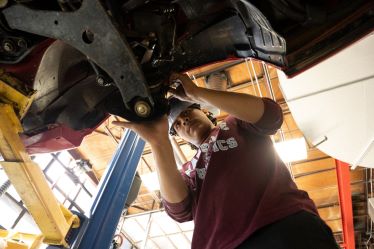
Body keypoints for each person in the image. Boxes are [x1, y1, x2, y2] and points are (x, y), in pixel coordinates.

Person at [113, 73, 340, 249]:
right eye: (178, 125)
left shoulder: (235, 124)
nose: (185, 121)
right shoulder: (187, 171)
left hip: (282, 225)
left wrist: (197, 93)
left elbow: (270, 115)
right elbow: (179, 210)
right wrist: (159, 141)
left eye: (188, 113)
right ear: (179, 137)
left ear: (206, 113)